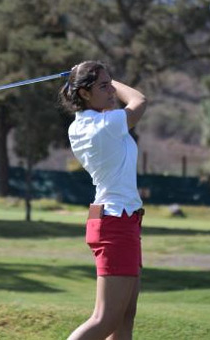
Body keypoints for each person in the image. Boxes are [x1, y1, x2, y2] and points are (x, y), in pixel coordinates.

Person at [60, 60, 147, 340]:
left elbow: (118, 105)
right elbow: (139, 100)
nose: (111, 91)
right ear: (84, 93)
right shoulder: (105, 125)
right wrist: (114, 82)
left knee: (124, 316)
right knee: (105, 319)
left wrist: (93, 78)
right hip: (116, 221)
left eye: (110, 84)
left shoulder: (82, 125)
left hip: (119, 218)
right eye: (103, 86)